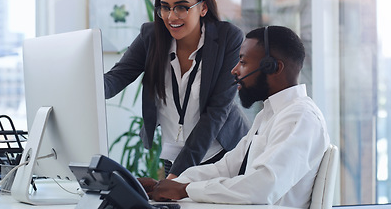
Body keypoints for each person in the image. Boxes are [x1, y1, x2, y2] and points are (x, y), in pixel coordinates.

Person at [138, 26, 331, 208]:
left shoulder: (300, 117)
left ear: (273, 67)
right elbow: (226, 167)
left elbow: (263, 186)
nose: (235, 70)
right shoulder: (269, 114)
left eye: (243, 62)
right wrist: (169, 185)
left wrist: (185, 189)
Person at [104, 0, 250, 179]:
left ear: (203, 7)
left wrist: (177, 175)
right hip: (173, 157)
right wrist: (85, 86)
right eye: (165, 7)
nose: (171, 17)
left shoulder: (228, 38)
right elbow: (116, 78)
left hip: (224, 156)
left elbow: (217, 111)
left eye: (182, 7)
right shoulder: (151, 37)